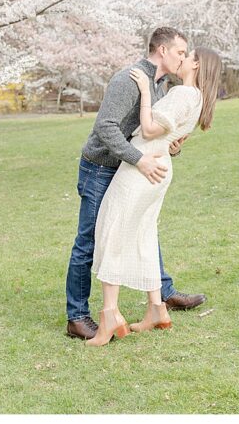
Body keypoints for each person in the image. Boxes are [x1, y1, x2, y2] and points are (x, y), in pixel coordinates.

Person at [65, 27, 207, 340]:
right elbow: (105, 127)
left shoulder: (162, 85)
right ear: (162, 50)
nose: (183, 58)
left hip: (126, 170)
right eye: (180, 52)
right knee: (90, 240)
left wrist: (169, 146)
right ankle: (76, 316)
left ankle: (162, 295)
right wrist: (138, 159)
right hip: (100, 168)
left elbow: (151, 131)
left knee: (143, 229)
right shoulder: (128, 79)